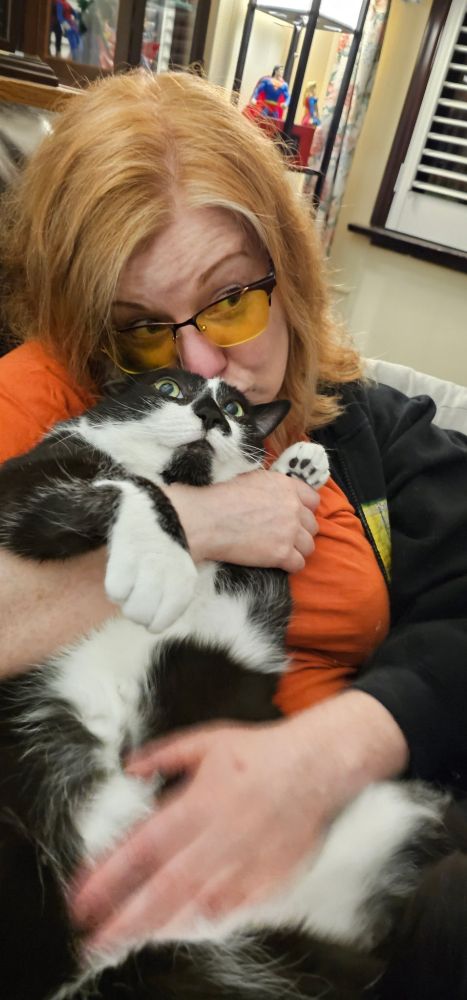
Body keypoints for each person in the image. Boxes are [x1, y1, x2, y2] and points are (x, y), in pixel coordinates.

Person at [0, 69, 466, 960]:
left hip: (348, 846)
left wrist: (322, 759)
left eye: (231, 300)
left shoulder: (358, 424)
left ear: (286, 272)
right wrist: (190, 522)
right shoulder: (47, 402)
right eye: (143, 329)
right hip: (117, 897)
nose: (203, 365)